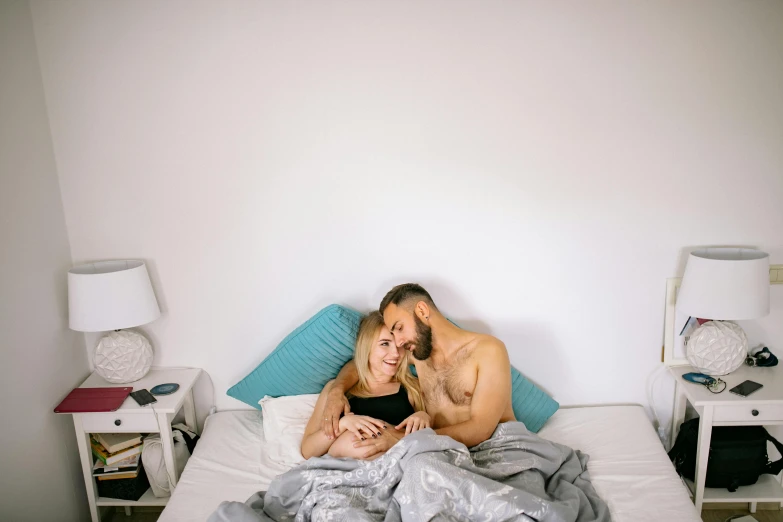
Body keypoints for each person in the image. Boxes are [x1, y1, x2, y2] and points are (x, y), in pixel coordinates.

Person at [321, 283, 515, 458]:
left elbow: (481, 429)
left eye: (399, 328)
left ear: (422, 311)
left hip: (496, 448)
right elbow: (365, 362)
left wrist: (400, 440)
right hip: (445, 453)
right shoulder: (418, 355)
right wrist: (337, 391)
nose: (398, 342)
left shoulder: (488, 350)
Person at [301, 310, 430, 460]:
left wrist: (424, 417)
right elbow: (307, 451)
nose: (395, 353)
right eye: (384, 344)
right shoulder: (336, 391)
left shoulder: (412, 389)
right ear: (366, 347)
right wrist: (342, 425)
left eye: (399, 345)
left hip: (398, 467)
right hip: (345, 472)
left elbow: (432, 440)